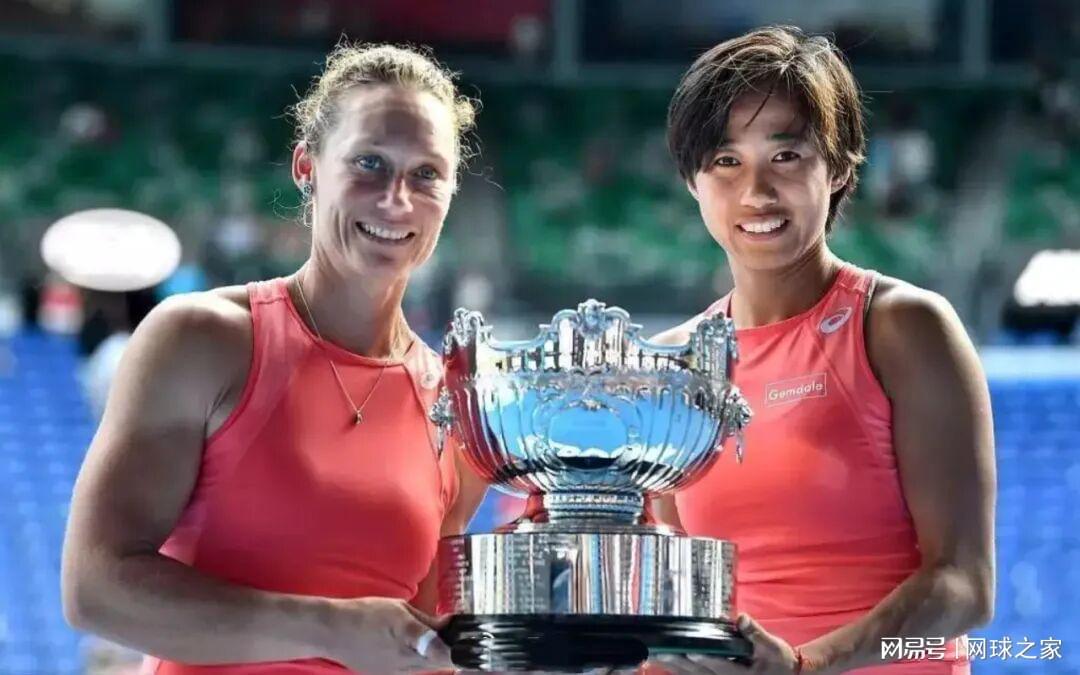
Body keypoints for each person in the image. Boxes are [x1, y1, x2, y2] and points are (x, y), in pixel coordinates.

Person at [61, 43, 490, 674]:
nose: (396, 199)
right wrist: (329, 628)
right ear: (306, 167)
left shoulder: (457, 405)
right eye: (369, 163)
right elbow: (96, 589)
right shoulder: (202, 340)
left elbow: (424, 652)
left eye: (426, 173)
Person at [648, 27, 995, 674]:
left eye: (786, 156)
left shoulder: (904, 328)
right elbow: (676, 600)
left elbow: (966, 585)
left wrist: (808, 665)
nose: (756, 191)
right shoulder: (673, 364)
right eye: (725, 160)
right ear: (693, 181)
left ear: (837, 167)